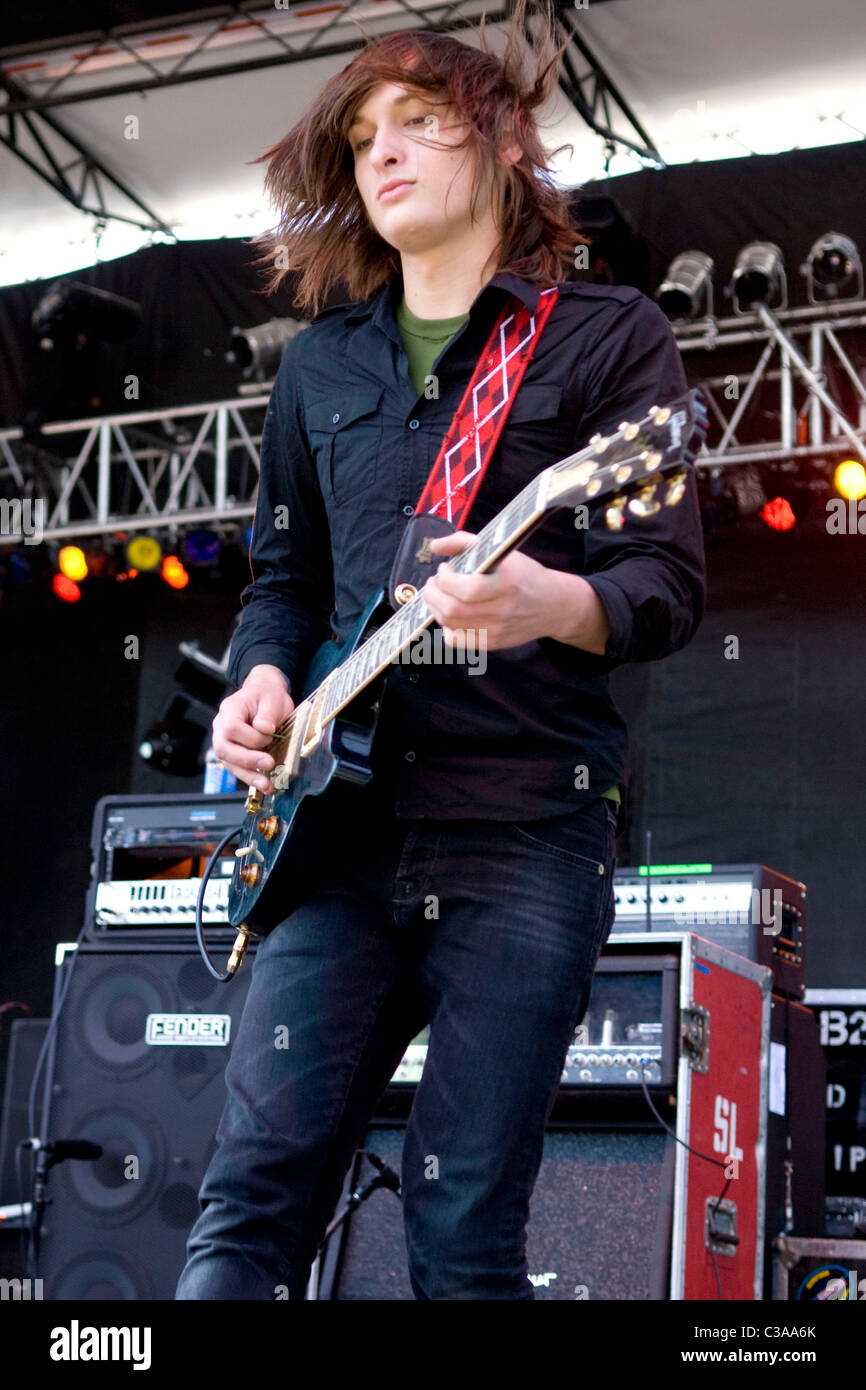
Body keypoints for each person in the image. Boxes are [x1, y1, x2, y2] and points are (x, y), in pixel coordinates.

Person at [176, 0, 705, 1300]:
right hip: (332, 843)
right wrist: (259, 683)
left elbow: (665, 581)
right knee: (249, 1196)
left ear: (500, 146)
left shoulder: (603, 335)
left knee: (461, 1226)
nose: (385, 150)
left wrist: (546, 602)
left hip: (522, 829)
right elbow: (286, 582)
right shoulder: (319, 367)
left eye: (419, 119)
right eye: (363, 136)